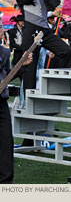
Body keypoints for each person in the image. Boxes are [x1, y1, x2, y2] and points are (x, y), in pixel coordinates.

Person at [15, 0, 71, 96]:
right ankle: (29, 98)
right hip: (30, 31)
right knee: (30, 65)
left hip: (45, 31)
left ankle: (55, 83)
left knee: (67, 51)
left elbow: (55, 2)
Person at [0, 11, 32, 183]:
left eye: (0, 27)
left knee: (6, 143)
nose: (0, 30)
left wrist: (22, 66)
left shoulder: (4, 53)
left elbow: (7, 77)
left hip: (1, 104)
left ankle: (5, 183)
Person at [6, 14, 25, 80]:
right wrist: (21, 47)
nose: (22, 22)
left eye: (23, 21)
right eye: (20, 21)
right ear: (17, 22)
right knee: (15, 71)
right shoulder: (12, 31)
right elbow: (12, 43)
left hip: (24, 52)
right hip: (17, 53)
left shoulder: (25, 30)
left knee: (23, 72)